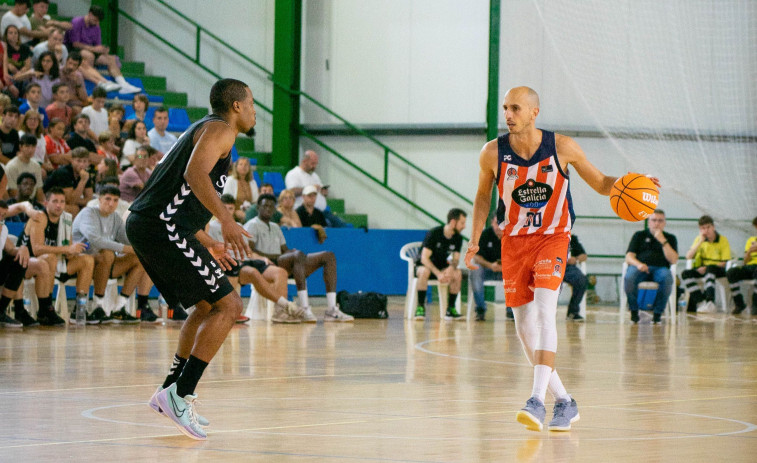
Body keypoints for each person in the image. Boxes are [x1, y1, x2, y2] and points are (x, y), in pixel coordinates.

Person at [464, 86, 661, 432]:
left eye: (515, 108)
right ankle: (565, 402)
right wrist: (475, 238)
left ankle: (537, 401)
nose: (508, 114)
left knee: (543, 312)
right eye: (506, 108)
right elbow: (482, 197)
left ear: (534, 112)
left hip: (552, 238)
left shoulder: (562, 147)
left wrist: (636, 184)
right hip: (513, 242)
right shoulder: (492, 153)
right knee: (525, 329)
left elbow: (601, 183)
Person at [126, 78, 264, 440]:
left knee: (205, 306)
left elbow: (177, 193)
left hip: (157, 225)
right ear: (236, 105)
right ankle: (180, 394)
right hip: (161, 227)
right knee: (229, 306)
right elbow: (193, 174)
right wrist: (226, 220)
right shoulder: (220, 129)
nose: (254, 111)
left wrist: (205, 239)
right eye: (251, 104)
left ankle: (169, 390)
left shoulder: (205, 129)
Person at [244, 193, 354, 323]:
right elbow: (249, 250)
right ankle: (305, 307)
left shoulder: (275, 227)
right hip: (265, 264)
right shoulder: (252, 224)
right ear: (258, 208)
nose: (268, 208)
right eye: (265, 206)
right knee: (297, 256)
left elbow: (285, 250)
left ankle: (331, 309)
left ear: (274, 209)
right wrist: (290, 255)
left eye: (271, 206)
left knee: (328, 256)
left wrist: (294, 252)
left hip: (282, 262)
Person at [73, 185, 152, 323]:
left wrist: (145, 242)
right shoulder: (88, 213)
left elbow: (127, 240)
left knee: (139, 258)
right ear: (99, 199)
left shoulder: (115, 217)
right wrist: (125, 249)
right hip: (83, 263)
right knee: (107, 253)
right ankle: (98, 306)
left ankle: (119, 308)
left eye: (115, 200)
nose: (111, 203)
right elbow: (96, 241)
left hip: (105, 266)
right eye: (108, 199)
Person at [17, 187, 94, 326]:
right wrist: (66, 249)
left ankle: (79, 309)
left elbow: (67, 250)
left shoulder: (66, 219)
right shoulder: (39, 217)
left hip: (55, 263)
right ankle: (46, 308)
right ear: (46, 203)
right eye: (55, 201)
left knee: (87, 260)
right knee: (50, 258)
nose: (59, 205)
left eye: (62, 202)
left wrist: (73, 251)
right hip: (25, 263)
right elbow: (37, 249)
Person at [63, 5, 140, 94]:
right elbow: (75, 44)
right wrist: (93, 49)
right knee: (89, 55)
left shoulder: (96, 26)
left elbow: (97, 45)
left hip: (90, 49)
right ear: (90, 14)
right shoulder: (77, 22)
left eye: (98, 21)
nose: (97, 22)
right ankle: (97, 83)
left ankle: (123, 84)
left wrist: (102, 50)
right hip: (74, 50)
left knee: (111, 59)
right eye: (95, 20)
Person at [0, 198, 51, 327]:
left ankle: (1, 311)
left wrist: (22, 248)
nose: (1, 218)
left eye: (3, 216)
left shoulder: (3, 228)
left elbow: (11, 249)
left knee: (20, 260)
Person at [623, 209, 678, 323]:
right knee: (629, 277)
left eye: (660, 221)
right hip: (640, 268)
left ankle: (658, 313)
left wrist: (663, 241)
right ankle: (634, 311)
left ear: (664, 223)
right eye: (654, 220)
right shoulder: (639, 235)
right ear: (649, 222)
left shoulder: (670, 238)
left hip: (660, 269)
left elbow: (673, 260)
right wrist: (638, 264)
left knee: (667, 278)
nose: (656, 223)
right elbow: (628, 257)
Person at [414, 208, 465, 321]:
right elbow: (424, 258)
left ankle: (450, 309)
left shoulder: (458, 238)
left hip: (442, 268)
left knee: (457, 273)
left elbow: (456, 259)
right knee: (424, 271)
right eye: (462, 223)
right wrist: (438, 274)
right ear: (453, 222)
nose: (464, 226)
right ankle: (420, 307)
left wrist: (451, 268)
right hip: (426, 267)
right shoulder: (434, 233)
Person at [682, 215, 732, 313]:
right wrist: (700, 241)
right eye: (703, 228)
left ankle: (710, 302)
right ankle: (701, 302)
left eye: (708, 227)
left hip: (718, 269)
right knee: (685, 273)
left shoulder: (722, 240)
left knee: (710, 269)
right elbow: (688, 257)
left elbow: (724, 263)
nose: (706, 230)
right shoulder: (699, 239)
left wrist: (707, 267)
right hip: (703, 269)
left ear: (713, 227)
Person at [469, 216, 503, 321]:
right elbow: (475, 256)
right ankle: (480, 309)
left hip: (507, 271)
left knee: (518, 272)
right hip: (488, 270)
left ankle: (512, 311)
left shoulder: (512, 235)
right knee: (475, 269)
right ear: (492, 223)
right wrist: (490, 265)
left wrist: (504, 268)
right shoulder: (485, 235)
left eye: (502, 223)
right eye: (496, 223)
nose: (499, 227)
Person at [43, 146, 94, 216]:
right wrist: (82, 181)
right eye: (78, 161)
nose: (82, 164)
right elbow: (70, 201)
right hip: (47, 201)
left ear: (88, 163)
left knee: (88, 208)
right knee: (74, 209)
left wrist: (77, 201)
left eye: (85, 161)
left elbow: (89, 200)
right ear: (72, 161)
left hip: (63, 202)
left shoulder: (85, 174)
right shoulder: (64, 173)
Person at [727, 217, 757, 315]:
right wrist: (749, 251)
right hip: (749, 267)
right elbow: (745, 261)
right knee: (732, 272)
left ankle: (755, 304)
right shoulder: (751, 240)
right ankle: (739, 303)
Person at [5, 134, 44, 202]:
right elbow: (13, 192)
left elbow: (39, 190)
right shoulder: (12, 166)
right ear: (21, 147)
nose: (30, 150)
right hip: (17, 203)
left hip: (32, 202)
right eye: (27, 146)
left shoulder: (36, 166)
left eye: (33, 147)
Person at [222, 157, 258, 222]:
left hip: (249, 213)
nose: (243, 167)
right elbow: (225, 200)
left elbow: (255, 201)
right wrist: (235, 212)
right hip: (233, 212)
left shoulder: (253, 182)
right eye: (241, 164)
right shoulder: (230, 180)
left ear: (249, 168)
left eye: (246, 165)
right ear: (236, 167)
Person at [563, 235, 588, 322]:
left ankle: (572, 312)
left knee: (582, 280)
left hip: (568, 268)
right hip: (550, 265)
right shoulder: (548, 234)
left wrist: (576, 259)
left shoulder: (572, 238)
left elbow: (584, 256)